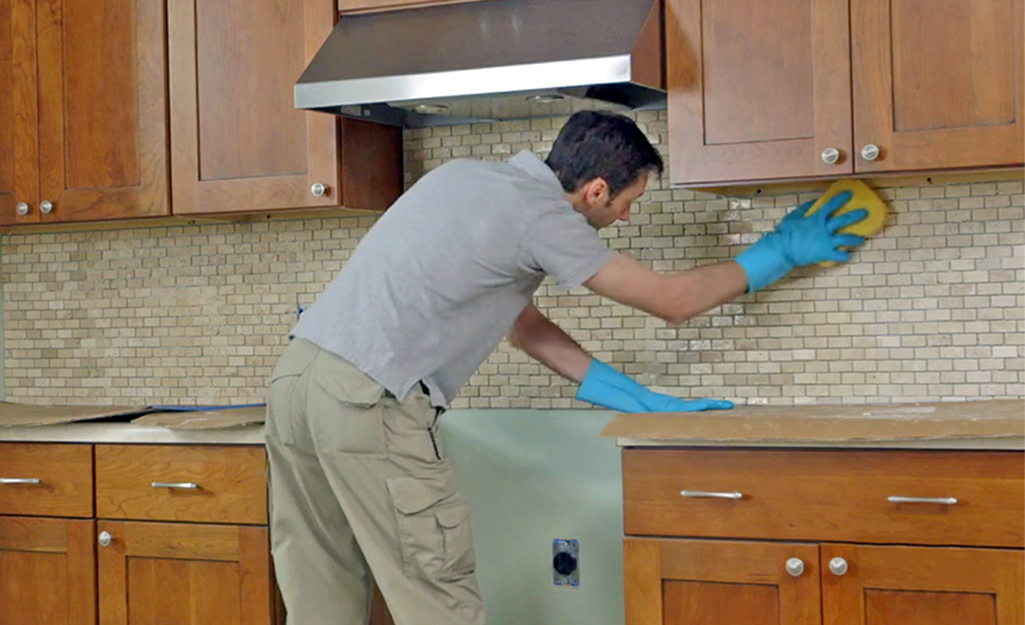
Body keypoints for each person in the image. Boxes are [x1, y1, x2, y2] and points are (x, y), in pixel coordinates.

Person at [265, 111, 867, 625]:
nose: (625, 220)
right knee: (434, 591)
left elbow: (525, 329)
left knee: (321, 591)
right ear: (596, 191)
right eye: (629, 204)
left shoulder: (465, 180)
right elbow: (672, 301)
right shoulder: (541, 215)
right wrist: (777, 253)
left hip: (296, 384)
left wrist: (628, 396)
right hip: (371, 403)